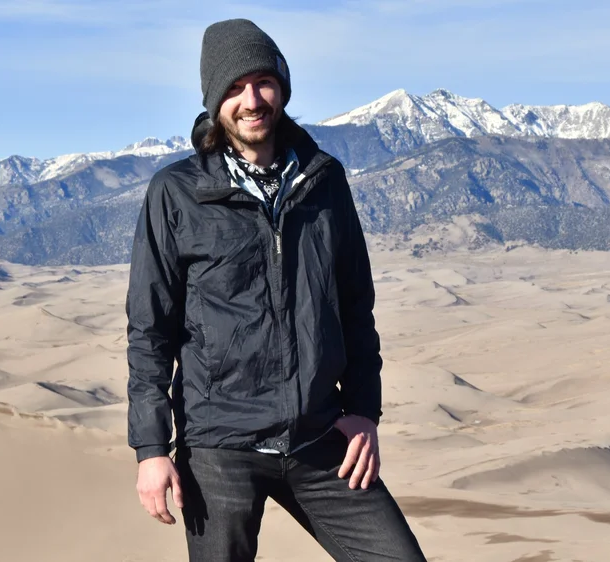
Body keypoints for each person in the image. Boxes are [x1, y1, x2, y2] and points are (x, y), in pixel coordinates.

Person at [125, 18, 428, 562]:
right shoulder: (176, 193)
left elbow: (356, 307)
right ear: (215, 100)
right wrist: (151, 448)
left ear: (282, 87)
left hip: (319, 436)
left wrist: (363, 408)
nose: (252, 99)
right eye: (235, 87)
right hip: (220, 443)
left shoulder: (323, 179)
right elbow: (150, 331)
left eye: (263, 81)